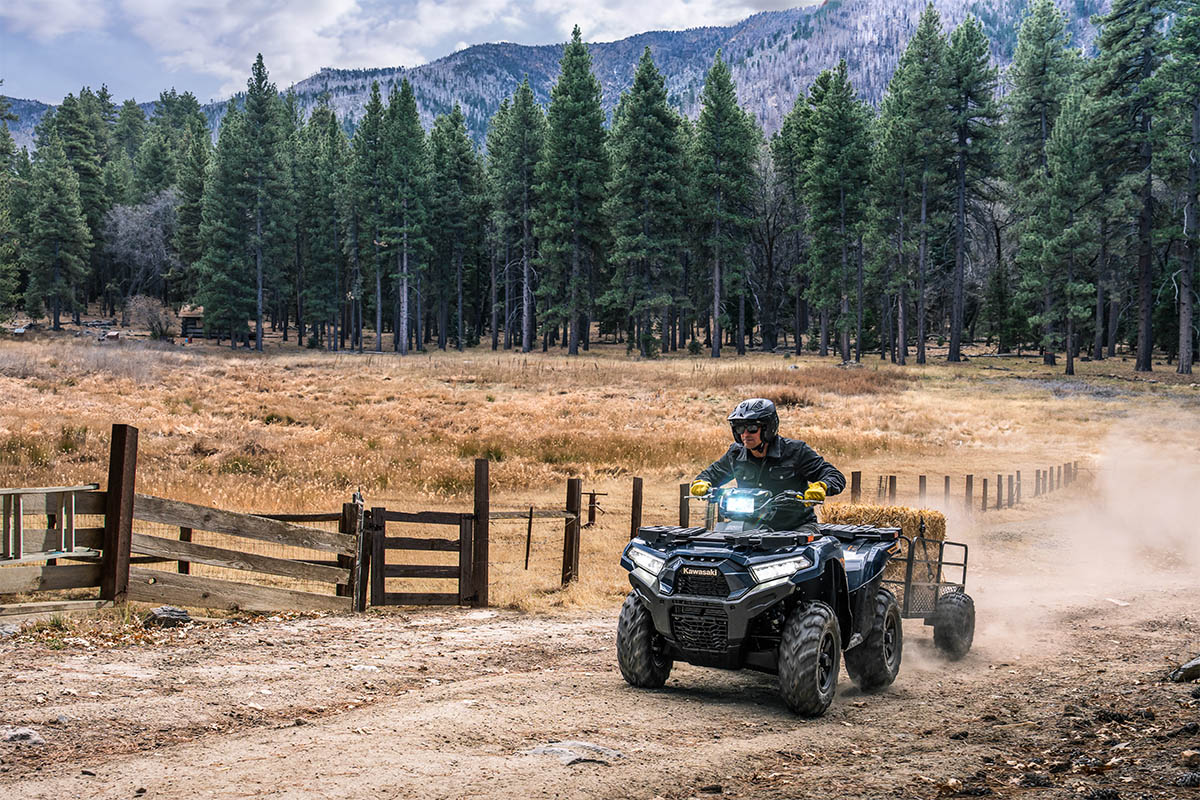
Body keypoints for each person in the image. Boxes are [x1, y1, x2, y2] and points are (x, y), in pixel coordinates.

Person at [690, 398, 845, 533]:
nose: (745, 434)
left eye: (751, 428)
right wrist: (701, 482)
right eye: (739, 428)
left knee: (801, 555)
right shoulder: (735, 454)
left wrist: (821, 486)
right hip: (748, 524)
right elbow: (712, 473)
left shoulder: (796, 451)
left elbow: (834, 475)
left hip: (794, 527)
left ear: (768, 428)